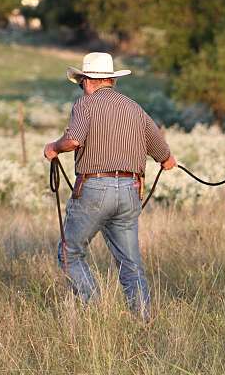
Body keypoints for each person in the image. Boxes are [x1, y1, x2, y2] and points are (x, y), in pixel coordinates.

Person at [43, 52, 176, 320]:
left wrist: (53, 148)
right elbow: (164, 153)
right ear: (111, 80)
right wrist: (166, 161)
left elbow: (74, 140)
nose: (81, 86)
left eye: (81, 82)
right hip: (130, 190)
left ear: (88, 81)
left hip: (94, 188)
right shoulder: (134, 108)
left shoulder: (85, 104)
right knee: (130, 263)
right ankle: (144, 319)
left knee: (69, 254)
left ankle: (94, 309)